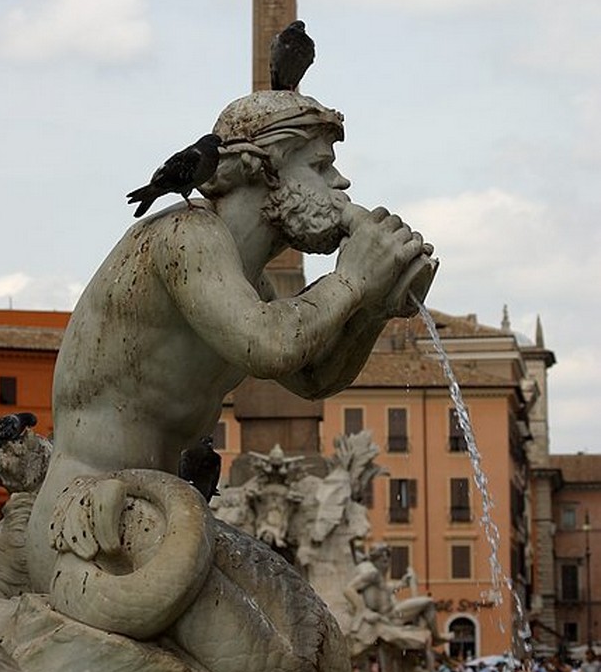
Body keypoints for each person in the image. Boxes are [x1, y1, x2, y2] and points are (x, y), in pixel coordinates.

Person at [27, 91, 434, 589]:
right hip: (90, 512)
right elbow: (270, 345)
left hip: (158, 506)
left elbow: (312, 377)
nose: (341, 183)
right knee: (268, 662)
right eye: (322, 166)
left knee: (311, 635)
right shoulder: (185, 236)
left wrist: (374, 308)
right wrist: (350, 281)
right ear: (261, 170)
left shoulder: (248, 285)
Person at [343, 542, 449, 649]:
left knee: (427, 604)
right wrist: (363, 611)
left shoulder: (379, 575)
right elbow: (348, 589)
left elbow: (385, 590)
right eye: (383, 558)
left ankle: (432, 638)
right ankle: (437, 637)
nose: (387, 561)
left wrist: (402, 584)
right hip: (390, 613)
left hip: (392, 611)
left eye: (388, 556)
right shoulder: (372, 574)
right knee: (428, 602)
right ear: (375, 559)